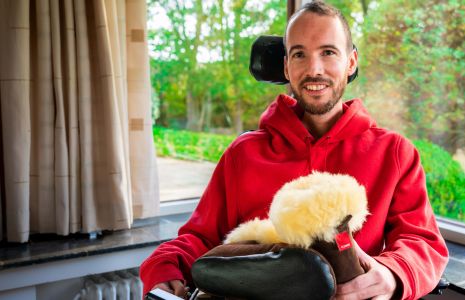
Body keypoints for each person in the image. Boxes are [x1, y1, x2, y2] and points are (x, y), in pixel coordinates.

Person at [140, 1, 449, 299]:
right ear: (286, 66)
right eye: (299, 54)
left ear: (351, 61)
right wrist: (164, 269)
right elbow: (199, 239)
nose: (314, 69)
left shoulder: (394, 152)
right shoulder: (243, 154)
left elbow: (423, 242)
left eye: (328, 52)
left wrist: (393, 273)